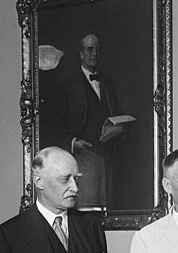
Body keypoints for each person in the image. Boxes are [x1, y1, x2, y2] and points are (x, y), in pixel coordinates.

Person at [46, 33, 127, 209]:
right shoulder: (69, 84)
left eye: (97, 49)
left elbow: (115, 112)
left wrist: (120, 128)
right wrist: (74, 143)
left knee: (108, 205)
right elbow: (54, 124)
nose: (94, 54)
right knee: (87, 207)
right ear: (81, 53)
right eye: (89, 49)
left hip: (109, 155)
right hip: (85, 156)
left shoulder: (106, 82)